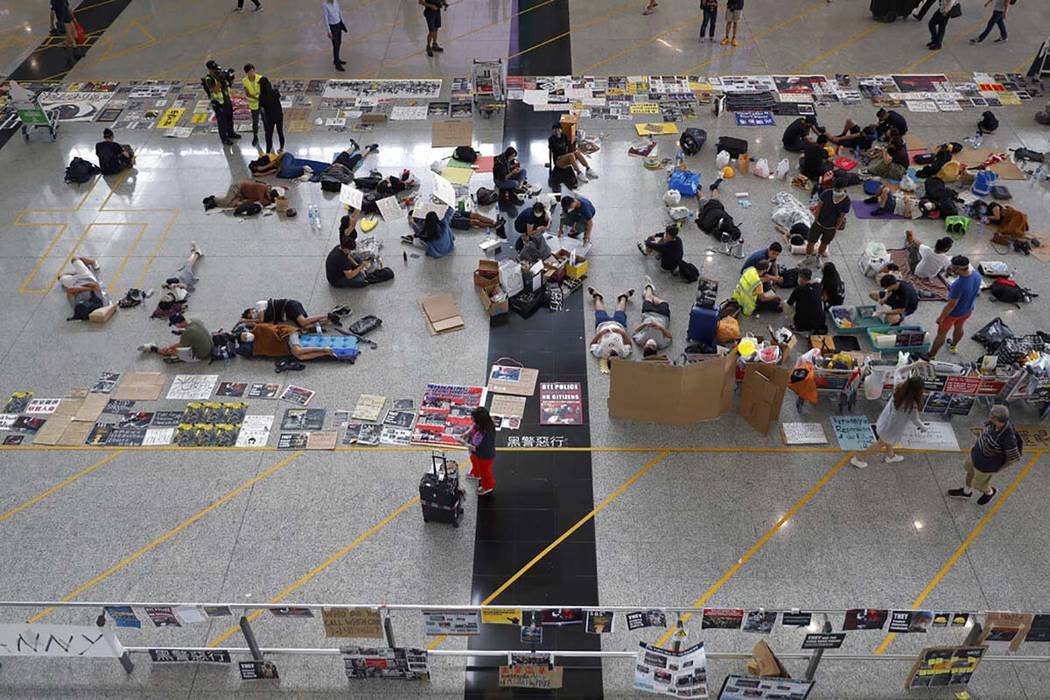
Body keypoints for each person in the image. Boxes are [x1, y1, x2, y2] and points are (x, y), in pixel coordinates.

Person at [948, 405, 1021, 505]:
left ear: (995, 418)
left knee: (979, 485)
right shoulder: (991, 423)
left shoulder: (1008, 438)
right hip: (975, 455)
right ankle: (966, 492)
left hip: (986, 466)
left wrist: (999, 469)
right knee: (969, 471)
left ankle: (989, 492)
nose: (988, 415)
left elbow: (1014, 458)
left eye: (990, 414)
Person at [850, 376, 928, 468]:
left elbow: (899, 371)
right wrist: (924, 428)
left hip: (888, 420)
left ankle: (891, 456)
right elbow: (915, 420)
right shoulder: (911, 404)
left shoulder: (899, 389)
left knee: (887, 440)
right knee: (880, 443)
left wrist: (915, 364)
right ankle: (858, 459)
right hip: (893, 427)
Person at [930, 256, 982, 355]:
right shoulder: (976, 275)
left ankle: (931, 355)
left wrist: (941, 317)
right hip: (968, 310)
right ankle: (953, 346)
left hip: (954, 313)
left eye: (954, 268)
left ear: (959, 269)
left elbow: (951, 305)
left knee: (941, 334)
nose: (952, 269)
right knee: (959, 327)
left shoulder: (958, 285)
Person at [241, 322, 350, 361]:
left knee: (297, 351)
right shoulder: (255, 345)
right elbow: (265, 348)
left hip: (288, 334)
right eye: (245, 339)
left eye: (245, 336)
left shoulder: (259, 328)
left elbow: (274, 331)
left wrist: (279, 341)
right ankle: (326, 352)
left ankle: (323, 348)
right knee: (300, 357)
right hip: (286, 344)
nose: (247, 338)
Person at [806, 175, 851, 261]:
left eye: (839, 190)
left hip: (831, 228)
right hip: (818, 223)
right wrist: (816, 220)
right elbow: (819, 207)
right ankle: (807, 257)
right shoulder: (826, 193)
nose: (836, 191)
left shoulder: (846, 201)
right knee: (811, 242)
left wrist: (836, 227)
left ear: (844, 188)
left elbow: (842, 216)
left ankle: (818, 257)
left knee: (824, 244)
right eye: (836, 189)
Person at [138, 314, 213, 363]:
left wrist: (169, 347)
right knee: (191, 341)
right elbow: (195, 331)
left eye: (174, 325)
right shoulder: (195, 320)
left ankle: (152, 348)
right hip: (211, 346)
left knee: (171, 350)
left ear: (177, 324)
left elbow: (180, 344)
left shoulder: (188, 332)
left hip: (202, 355)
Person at [587, 287, 634, 359]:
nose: (613, 353)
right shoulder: (623, 353)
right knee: (620, 311)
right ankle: (623, 297)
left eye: (611, 355)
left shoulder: (600, 353)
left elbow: (592, 345)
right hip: (619, 325)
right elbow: (629, 345)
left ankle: (597, 296)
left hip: (602, 325)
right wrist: (621, 332)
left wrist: (601, 333)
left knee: (600, 311)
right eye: (615, 355)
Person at [632, 278, 673, 357]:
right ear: (656, 348)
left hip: (648, 314)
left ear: (644, 346)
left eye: (648, 346)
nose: (651, 343)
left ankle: (649, 287)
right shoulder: (661, 344)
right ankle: (649, 295)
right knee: (664, 303)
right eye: (653, 346)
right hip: (663, 316)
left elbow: (635, 332)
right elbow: (670, 337)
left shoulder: (640, 340)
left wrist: (644, 324)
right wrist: (660, 327)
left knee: (648, 299)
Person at [203, 60, 238, 146]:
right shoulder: (209, 79)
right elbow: (215, 90)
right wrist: (219, 79)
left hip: (226, 100)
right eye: (214, 69)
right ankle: (224, 139)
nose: (216, 71)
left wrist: (230, 77)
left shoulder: (220, 75)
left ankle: (231, 133)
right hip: (218, 103)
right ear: (210, 70)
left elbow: (229, 85)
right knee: (222, 122)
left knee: (230, 117)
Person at [242, 298, 338, 329]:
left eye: (251, 314)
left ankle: (327, 315)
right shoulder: (265, 318)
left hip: (289, 306)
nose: (254, 315)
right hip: (288, 314)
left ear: (251, 309)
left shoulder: (260, 306)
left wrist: (246, 321)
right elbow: (268, 324)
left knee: (303, 322)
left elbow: (261, 320)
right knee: (304, 326)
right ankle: (327, 321)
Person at [463, 407, 496, 495]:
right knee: (474, 461)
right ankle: (476, 474)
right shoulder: (484, 423)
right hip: (476, 452)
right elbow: (474, 426)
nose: (472, 419)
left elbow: (478, 448)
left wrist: (464, 444)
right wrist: (468, 432)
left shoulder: (485, 435)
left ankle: (488, 486)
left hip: (484, 456)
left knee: (485, 472)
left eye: (474, 418)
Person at [787, 268, 826, 333]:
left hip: (803, 324)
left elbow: (789, 302)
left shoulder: (799, 288)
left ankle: (796, 326)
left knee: (784, 303)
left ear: (801, 278)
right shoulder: (818, 286)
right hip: (820, 321)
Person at [258, 76, 285, 154]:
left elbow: (261, 108)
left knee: (269, 135)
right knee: (280, 132)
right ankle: (281, 148)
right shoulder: (275, 92)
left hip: (270, 118)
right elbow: (278, 97)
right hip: (279, 115)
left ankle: (268, 151)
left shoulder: (262, 96)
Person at [203, 181, 278, 210]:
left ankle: (214, 203)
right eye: (269, 195)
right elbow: (261, 201)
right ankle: (214, 199)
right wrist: (268, 201)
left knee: (232, 205)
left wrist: (242, 202)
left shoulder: (262, 195)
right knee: (227, 201)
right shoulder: (262, 187)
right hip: (237, 187)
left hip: (241, 195)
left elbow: (251, 200)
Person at [50, 0, 79, 67]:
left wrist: (73, 18)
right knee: (70, 38)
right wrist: (52, 25)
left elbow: (67, 7)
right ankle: (71, 58)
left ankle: (70, 50)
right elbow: (53, 12)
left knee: (73, 37)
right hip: (65, 20)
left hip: (66, 19)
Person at [242, 64, 264, 149]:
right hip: (254, 104)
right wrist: (256, 97)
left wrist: (259, 98)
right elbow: (247, 93)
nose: (251, 73)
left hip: (262, 103)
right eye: (249, 72)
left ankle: (268, 135)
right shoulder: (245, 81)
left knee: (266, 120)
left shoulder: (260, 78)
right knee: (255, 121)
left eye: (252, 71)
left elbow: (264, 90)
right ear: (246, 73)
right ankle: (255, 136)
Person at [323, 0, 347, 71]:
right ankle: (337, 64)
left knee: (339, 42)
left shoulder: (336, 2)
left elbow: (339, 12)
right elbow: (326, 19)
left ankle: (336, 59)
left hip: (338, 24)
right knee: (335, 45)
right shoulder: (325, 5)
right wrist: (329, 31)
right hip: (332, 27)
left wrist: (342, 23)